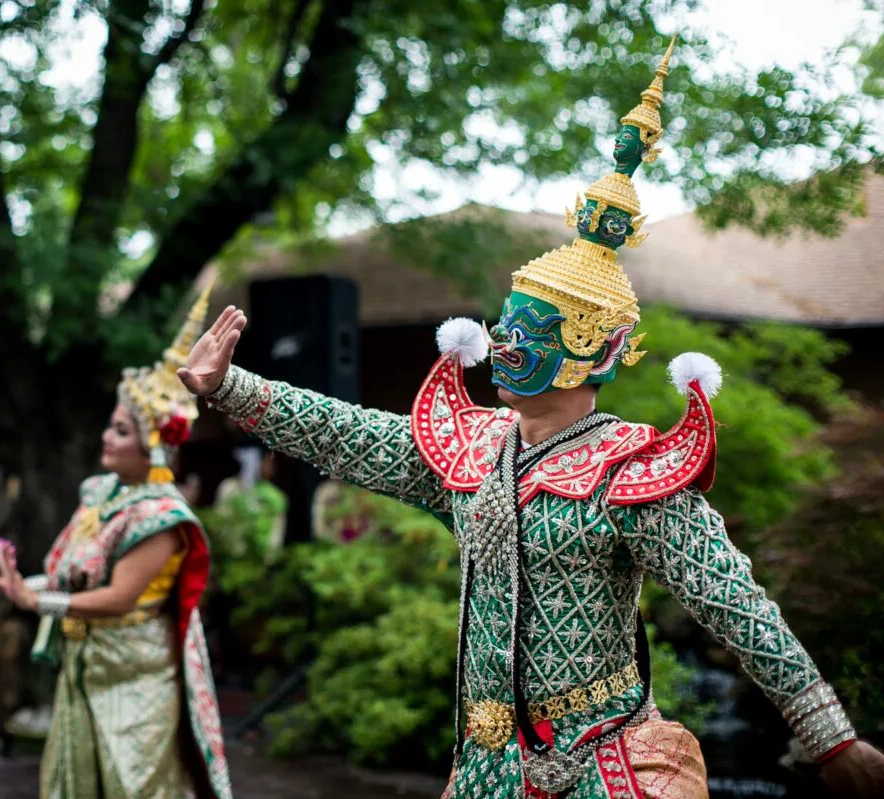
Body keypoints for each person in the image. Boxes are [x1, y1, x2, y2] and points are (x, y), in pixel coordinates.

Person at [179, 41, 884, 799]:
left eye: (530, 331)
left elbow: (734, 601)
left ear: (593, 350)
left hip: (600, 764)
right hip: (486, 768)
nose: (506, 342)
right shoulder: (473, 446)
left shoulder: (630, 470)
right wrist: (234, 387)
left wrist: (828, 736)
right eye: (505, 324)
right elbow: (351, 435)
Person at [0, 285, 232, 799]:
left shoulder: (160, 518)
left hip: (136, 671)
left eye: (120, 431)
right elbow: (74, 571)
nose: (105, 437)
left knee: (134, 785)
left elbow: (119, 596)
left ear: (152, 449)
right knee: (76, 782)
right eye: (111, 427)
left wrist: (40, 602)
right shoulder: (101, 494)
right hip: (87, 662)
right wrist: (27, 586)